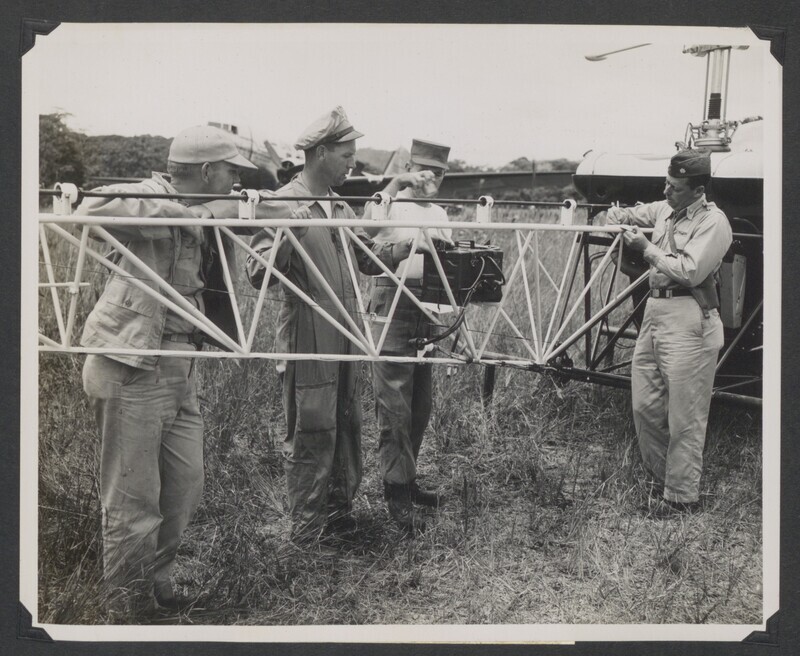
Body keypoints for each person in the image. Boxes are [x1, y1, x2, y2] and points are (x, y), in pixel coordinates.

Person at [78, 125, 265, 616]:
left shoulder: (217, 204)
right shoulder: (152, 194)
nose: (234, 182)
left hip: (181, 365)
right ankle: (129, 609)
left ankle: (155, 584)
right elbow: (91, 207)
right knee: (132, 503)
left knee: (184, 487)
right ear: (206, 171)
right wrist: (193, 213)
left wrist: (217, 216)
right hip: (131, 363)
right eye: (230, 171)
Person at [245, 106, 419, 548]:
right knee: (311, 425)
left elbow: (365, 257)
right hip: (308, 327)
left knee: (346, 420)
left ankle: (340, 514)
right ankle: (307, 529)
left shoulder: (337, 205)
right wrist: (291, 232)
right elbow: (256, 271)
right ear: (321, 153)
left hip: (346, 327)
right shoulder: (281, 203)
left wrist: (403, 248)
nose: (352, 164)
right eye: (346, 155)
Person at [606, 148, 732, 518]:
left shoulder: (714, 222)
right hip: (656, 310)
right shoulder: (664, 209)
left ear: (698, 190)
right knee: (645, 404)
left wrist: (646, 248)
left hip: (690, 317)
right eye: (666, 183)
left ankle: (681, 498)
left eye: (675, 188)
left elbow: (691, 271)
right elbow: (630, 212)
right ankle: (661, 482)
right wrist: (617, 214)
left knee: (685, 415)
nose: (666, 192)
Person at [362, 139, 453, 532]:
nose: (431, 180)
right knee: (394, 407)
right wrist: (396, 183)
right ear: (411, 167)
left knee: (420, 402)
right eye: (425, 171)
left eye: (440, 173)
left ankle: (408, 479)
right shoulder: (390, 203)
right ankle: (395, 492)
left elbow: (448, 265)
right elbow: (366, 232)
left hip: (429, 305)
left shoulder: (441, 213)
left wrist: (449, 314)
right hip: (391, 300)